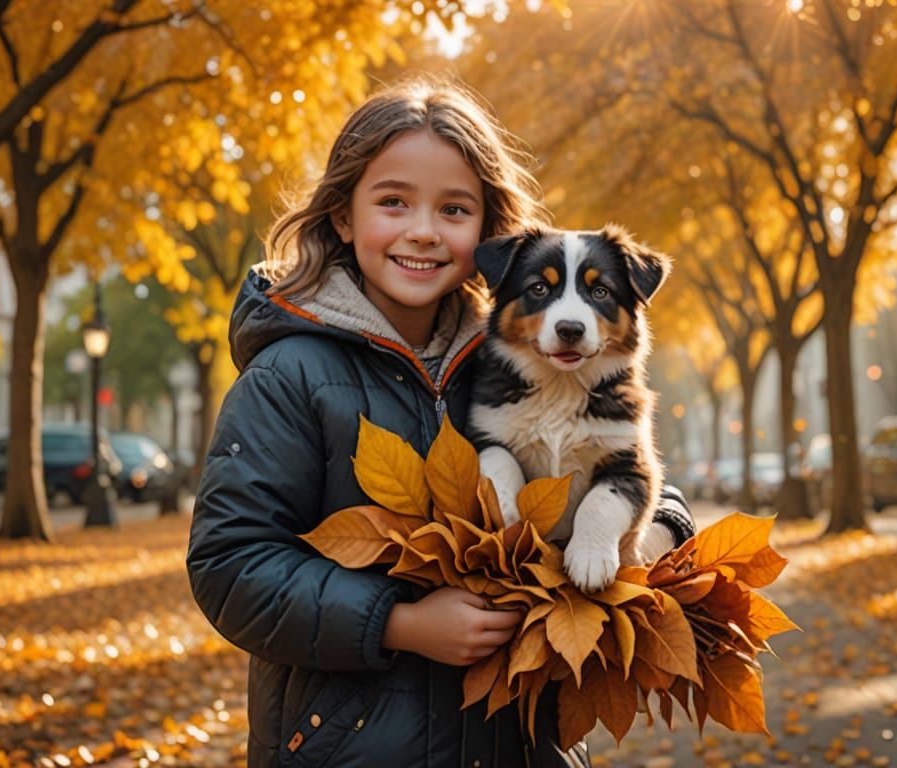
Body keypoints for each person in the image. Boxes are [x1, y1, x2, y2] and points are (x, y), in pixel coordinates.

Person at [186, 75, 695, 767]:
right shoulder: (289, 376)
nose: (423, 231)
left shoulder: (526, 354)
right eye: (393, 202)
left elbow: (622, 467)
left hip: (517, 742)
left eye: (454, 209)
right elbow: (231, 565)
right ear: (343, 216)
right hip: (351, 747)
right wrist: (398, 623)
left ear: (488, 231)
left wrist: (662, 525)